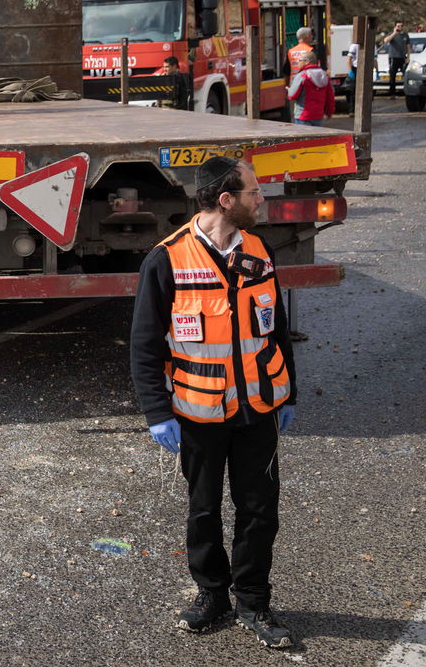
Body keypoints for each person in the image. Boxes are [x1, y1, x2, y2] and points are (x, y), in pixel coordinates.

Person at [129, 155, 297, 649]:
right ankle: (212, 596)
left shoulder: (260, 250)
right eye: (254, 193)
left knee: (259, 509)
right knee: (203, 511)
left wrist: (290, 393)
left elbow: (278, 328)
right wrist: (158, 412)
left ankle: (252, 600)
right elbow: (145, 343)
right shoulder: (168, 258)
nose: (261, 200)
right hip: (199, 414)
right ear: (226, 200)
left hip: (261, 408)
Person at [287, 39, 334, 126]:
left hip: (303, 116)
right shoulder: (324, 76)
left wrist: (289, 90)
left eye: (300, 60)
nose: (298, 62)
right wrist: (329, 112)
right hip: (318, 116)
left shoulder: (302, 76)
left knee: (304, 139)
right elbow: (330, 97)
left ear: (307, 62)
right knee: (315, 139)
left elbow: (292, 96)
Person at [384, 21, 410, 97]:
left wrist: (408, 57)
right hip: (393, 58)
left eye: (401, 26)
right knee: (392, 76)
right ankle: (392, 93)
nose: (400, 27)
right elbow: (386, 41)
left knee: (406, 75)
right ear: (395, 26)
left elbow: (408, 47)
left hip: (402, 58)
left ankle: (407, 92)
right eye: (398, 26)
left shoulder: (405, 35)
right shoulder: (391, 34)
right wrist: (394, 33)